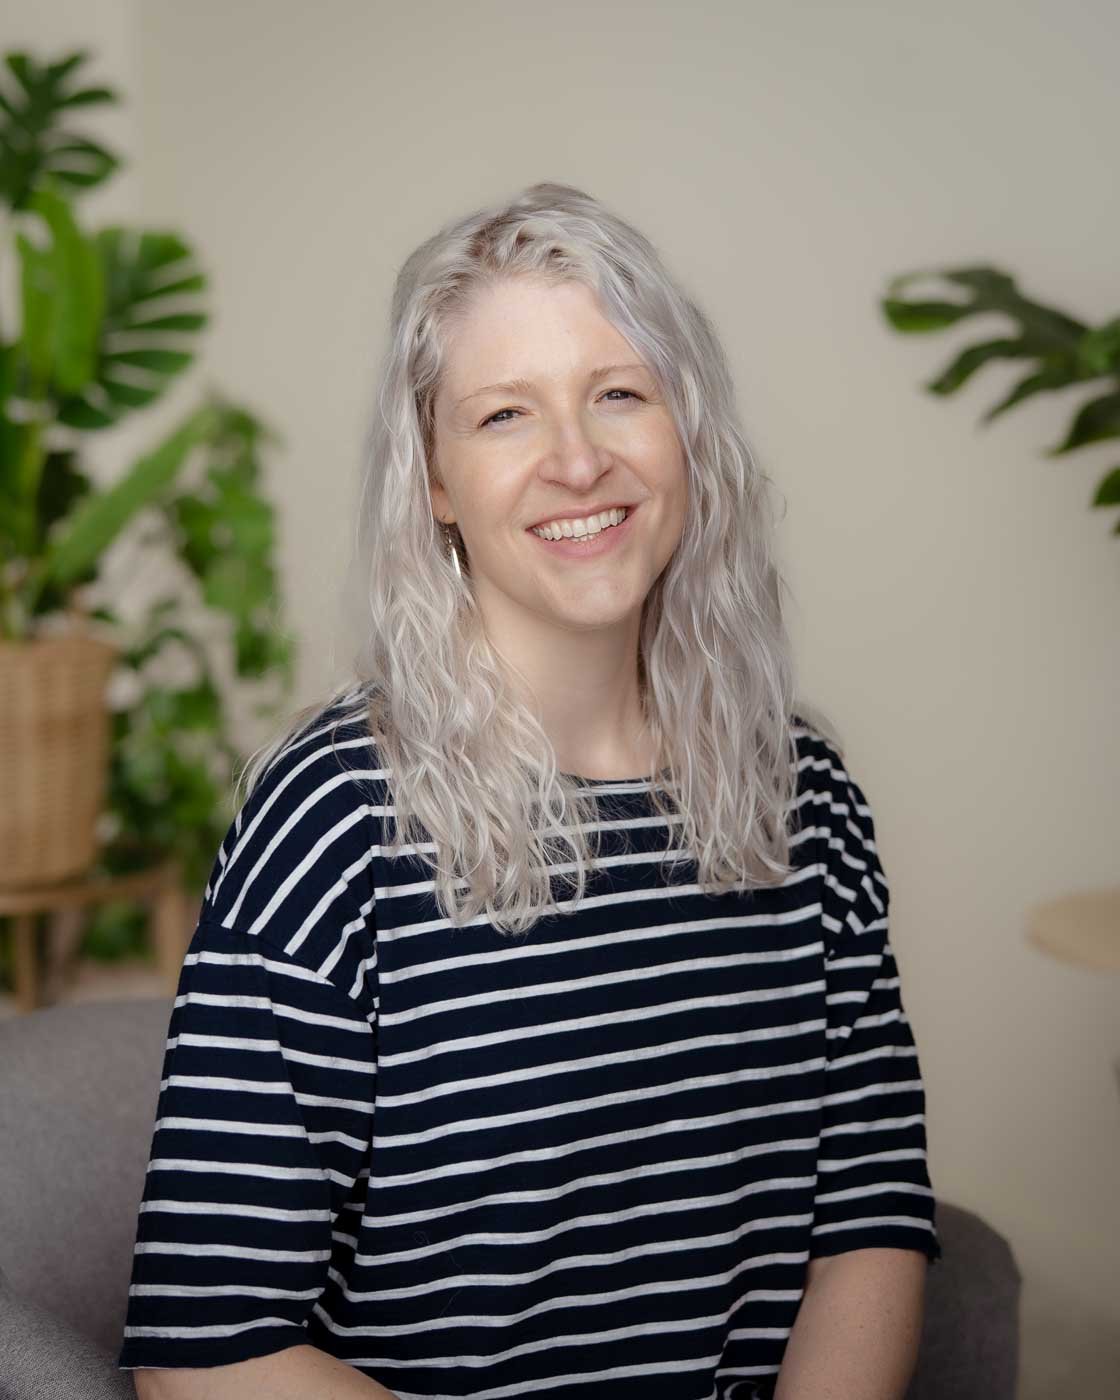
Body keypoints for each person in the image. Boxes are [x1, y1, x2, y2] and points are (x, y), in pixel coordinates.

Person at [119, 181, 940, 1400]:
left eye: (619, 392)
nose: (574, 457)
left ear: (690, 433)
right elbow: (206, 1346)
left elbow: (866, 1214)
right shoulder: (336, 820)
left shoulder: (803, 794)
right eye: (504, 414)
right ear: (436, 483)